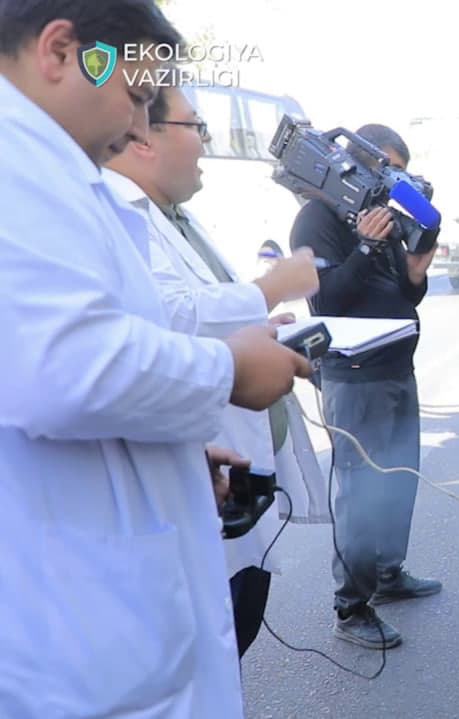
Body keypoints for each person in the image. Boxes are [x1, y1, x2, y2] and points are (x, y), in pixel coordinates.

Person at [0, 1, 310, 716]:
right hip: (72, 641)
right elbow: (66, 366)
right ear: (59, 53)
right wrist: (228, 370)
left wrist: (173, 451)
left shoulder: (53, 173)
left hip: (98, 602)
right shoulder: (20, 170)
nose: (141, 127)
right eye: (137, 97)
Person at [102, 83, 330, 657]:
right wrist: (266, 291)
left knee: (237, 625)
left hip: (225, 472)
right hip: (185, 472)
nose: (205, 142)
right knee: (203, 647)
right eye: (194, 126)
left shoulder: (175, 216)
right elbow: (162, 318)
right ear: (143, 136)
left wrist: (260, 323)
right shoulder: (109, 212)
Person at [289, 123, 441, 650]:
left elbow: (402, 295)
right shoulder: (317, 217)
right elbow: (326, 301)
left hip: (398, 368)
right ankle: (351, 605)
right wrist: (367, 248)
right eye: (388, 168)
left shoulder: (383, 215)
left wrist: (415, 272)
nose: (394, 181)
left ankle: (388, 574)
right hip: (355, 380)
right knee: (360, 493)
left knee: (399, 479)